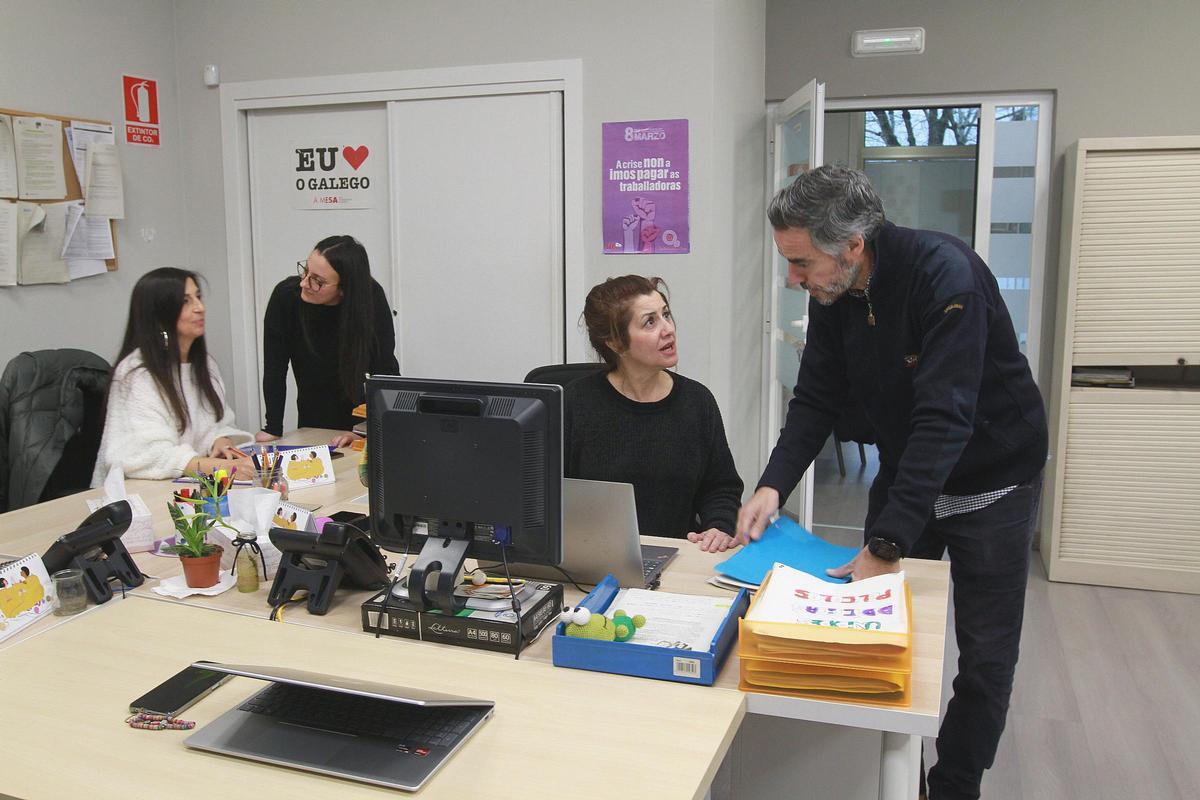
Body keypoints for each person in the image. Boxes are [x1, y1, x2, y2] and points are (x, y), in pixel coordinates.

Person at [737, 165, 1048, 800]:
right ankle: (869, 772)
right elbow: (815, 397)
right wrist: (773, 485)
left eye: (801, 263)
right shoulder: (836, 291)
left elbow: (945, 417)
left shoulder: (945, 277)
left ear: (852, 245)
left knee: (985, 658)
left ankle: (954, 785)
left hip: (994, 479)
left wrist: (885, 545)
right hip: (912, 474)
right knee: (876, 631)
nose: (793, 279)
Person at [565, 275, 743, 551]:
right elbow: (545, 495)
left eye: (666, 315)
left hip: (678, 557)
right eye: (650, 322)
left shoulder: (698, 402)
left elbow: (721, 487)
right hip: (593, 557)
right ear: (614, 342)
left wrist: (718, 527)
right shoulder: (575, 404)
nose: (668, 329)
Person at [93, 268, 255, 484]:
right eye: (185, 302)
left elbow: (215, 423)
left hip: (188, 489)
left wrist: (220, 439)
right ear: (159, 316)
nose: (200, 308)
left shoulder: (204, 364)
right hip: (137, 495)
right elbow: (144, 455)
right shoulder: (136, 374)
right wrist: (220, 467)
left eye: (198, 297)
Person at [257, 235, 398, 448]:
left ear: (344, 289)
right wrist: (272, 428)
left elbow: (385, 370)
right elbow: (275, 367)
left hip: (359, 426)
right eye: (306, 272)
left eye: (318, 281)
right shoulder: (286, 297)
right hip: (313, 422)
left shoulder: (370, 298)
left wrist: (369, 430)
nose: (304, 283)